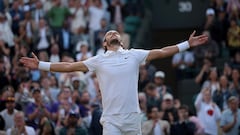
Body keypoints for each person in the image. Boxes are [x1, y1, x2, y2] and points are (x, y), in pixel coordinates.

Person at [20, 30, 208, 134]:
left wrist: (187, 45)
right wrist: (41, 65)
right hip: (111, 120)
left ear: (121, 41)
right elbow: (69, 67)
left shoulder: (134, 54)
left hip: (133, 117)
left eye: (115, 33)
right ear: (104, 43)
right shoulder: (98, 60)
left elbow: (162, 51)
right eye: (109, 34)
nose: (112, 33)